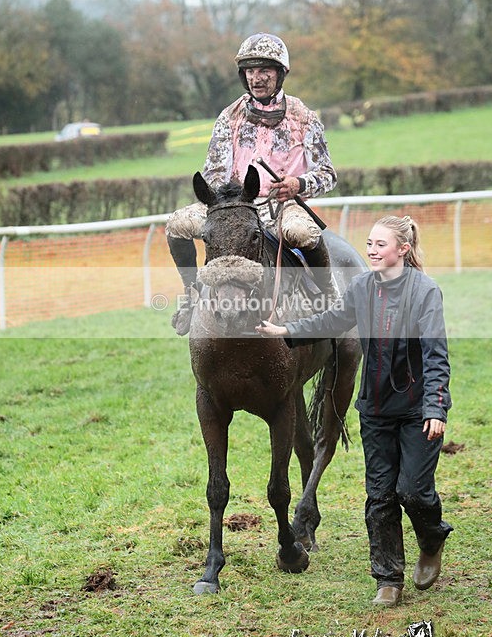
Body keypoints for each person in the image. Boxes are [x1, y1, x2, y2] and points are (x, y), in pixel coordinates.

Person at [256, 215, 453, 607]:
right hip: (376, 409)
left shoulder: (426, 292)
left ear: (403, 249)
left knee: (412, 492)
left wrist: (435, 407)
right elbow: (333, 319)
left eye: (380, 245)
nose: (370, 251)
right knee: (379, 495)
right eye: (368, 244)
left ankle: (431, 538)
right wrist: (288, 332)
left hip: (418, 411)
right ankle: (388, 579)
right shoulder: (362, 286)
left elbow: (436, 356)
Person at [166, 32, 337, 334]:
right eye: (251, 71)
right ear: (244, 77)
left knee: (302, 231)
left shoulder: (305, 117)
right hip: (232, 209)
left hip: (282, 207)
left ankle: (328, 296)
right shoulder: (228, 117)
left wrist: (298, 184)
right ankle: (191, 293)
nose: (257, 78)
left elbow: (327, 174)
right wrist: (228, 201)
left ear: (280, 73)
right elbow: (215, 172)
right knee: (177, 223)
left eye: (265, 71)